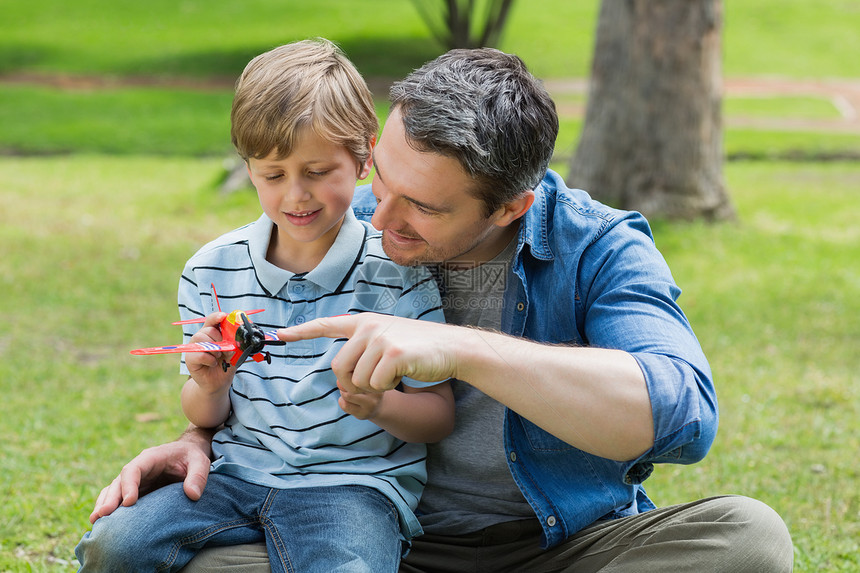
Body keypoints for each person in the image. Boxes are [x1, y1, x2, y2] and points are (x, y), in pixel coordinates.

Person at [88, 48, 794, 572]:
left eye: (423, 205)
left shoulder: (597, 247)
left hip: (561, 547)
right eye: (382, 179)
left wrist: (461, 350)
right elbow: (266, 374)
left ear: (511, 205)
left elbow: (684, 416)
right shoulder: (338, 220)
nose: (379, 215)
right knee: (177, 558)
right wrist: (200, 436)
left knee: (749, 539)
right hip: (370, 537)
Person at [75, 38, 454, 573]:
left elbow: (437, 414)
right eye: (273, 175)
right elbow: (205, 413)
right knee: (115, 545)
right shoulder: (212, 270)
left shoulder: (398, 273)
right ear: (248, 167)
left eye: (318, 171)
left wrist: (379, 406)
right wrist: (211, 383)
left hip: (351, 488)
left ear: (364, 157)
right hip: (231, 475)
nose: (295, 196)